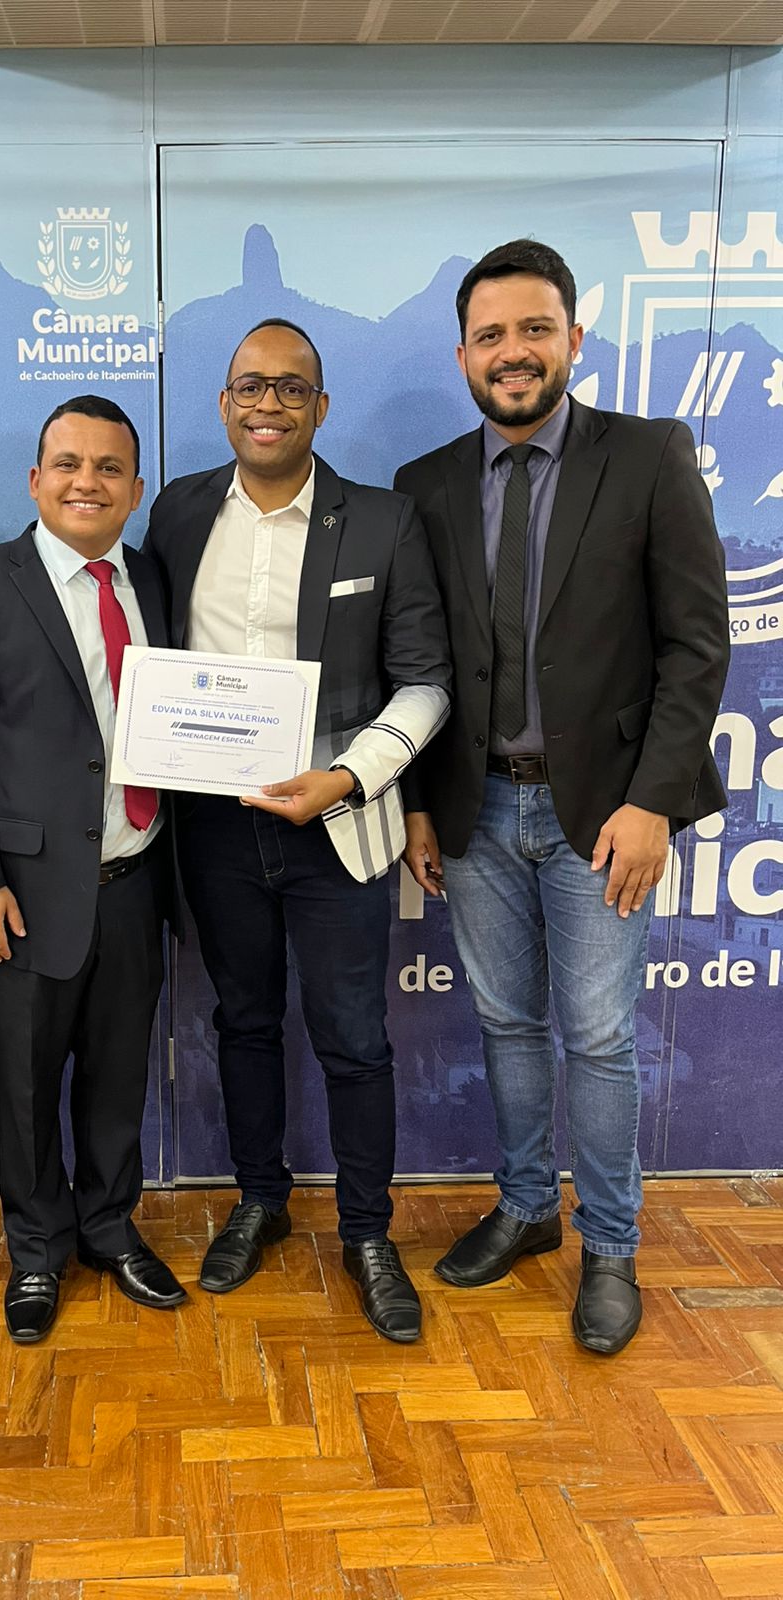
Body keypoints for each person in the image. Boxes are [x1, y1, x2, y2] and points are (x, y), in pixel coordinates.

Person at [396, 239, 730, 1354]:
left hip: (606, 815)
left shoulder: (649, 456)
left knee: (597, 1035)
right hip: (476, 810)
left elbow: (696, 648)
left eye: (535, 329)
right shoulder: (426, 486)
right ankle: (528, 1206)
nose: (514, 351)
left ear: (575, 340)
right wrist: (420, 804)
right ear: (462, 355)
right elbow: (420, 661)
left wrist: (654, 803)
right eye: (490, 334)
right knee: (504, 1021)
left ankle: (613, 1247)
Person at [146, 320, 451, 1342]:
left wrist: (348, 779)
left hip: (339, 824)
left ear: (321, 407)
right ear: (224, 403)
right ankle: (261, 1200)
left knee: (354, 1038)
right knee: (243, 1022)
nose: (267, 404)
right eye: (250, 386)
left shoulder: (383, 522)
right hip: (215, 827)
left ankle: (367, 1233)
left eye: (290, 388)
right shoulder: (179, 510)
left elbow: (425, 683)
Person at [0, 395, 182, 1345]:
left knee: (117, 1078)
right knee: (27, 1088)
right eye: (68, 464)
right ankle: (34, 1251)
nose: (87, 483)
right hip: (20, 896)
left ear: (136, 490)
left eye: (110, 468)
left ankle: (109, 1228)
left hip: (136, 880)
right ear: (35, 481)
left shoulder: (154, 581)